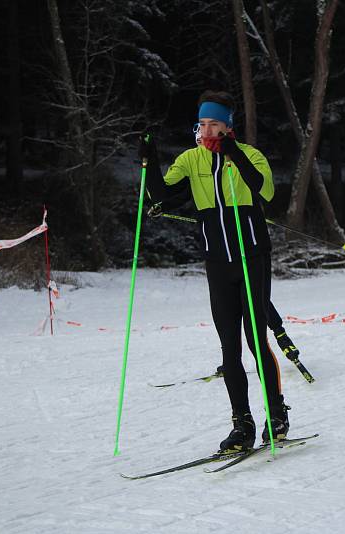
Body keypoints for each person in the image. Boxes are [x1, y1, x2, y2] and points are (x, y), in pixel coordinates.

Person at [141, 90, 289, 453]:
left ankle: (277, 414)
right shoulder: (191, 159)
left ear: (227, 127)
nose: (207, 130)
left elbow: (265, 191)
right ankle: (242, 424)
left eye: (214, 124)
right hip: (217, 262)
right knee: (229, 347)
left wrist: (234, 154)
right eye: (202, 124)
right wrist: (149, 157)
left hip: (252, 256)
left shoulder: (250, 155)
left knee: (256, 339)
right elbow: (159, 194)